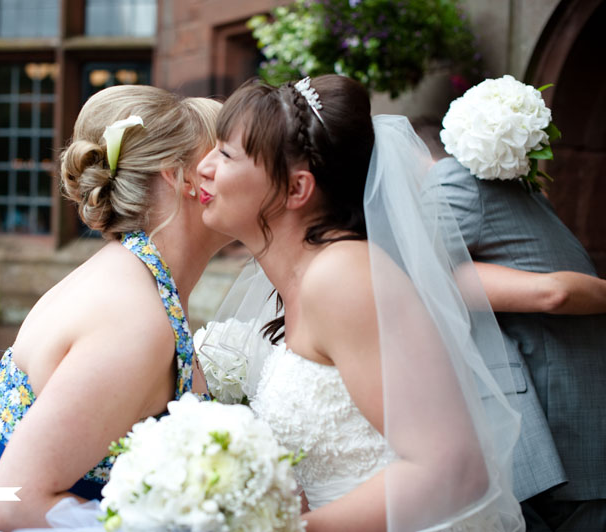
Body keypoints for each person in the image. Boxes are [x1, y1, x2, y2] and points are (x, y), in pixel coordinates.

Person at [196, 74, 606, 531]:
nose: (204, 167)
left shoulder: (343, 278)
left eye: (227, 154)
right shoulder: (304, 281)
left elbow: (454, 469)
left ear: (297, 189)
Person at [0, 85, 227, 532]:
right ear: (179, 177)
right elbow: (18, 505)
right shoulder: (132, 318)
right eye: (220, 159)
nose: (236, 174)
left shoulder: (129, 276)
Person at [431, 155, 606, 531]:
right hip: (544, 438)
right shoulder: (460, 182)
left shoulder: (490, 197)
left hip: (552, 435)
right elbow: (553, 292)